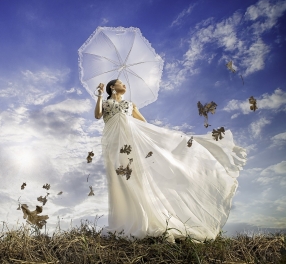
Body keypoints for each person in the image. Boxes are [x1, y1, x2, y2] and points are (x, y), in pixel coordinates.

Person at [95, 79, 247, 242]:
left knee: (135, 179)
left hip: (130, 143)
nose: (124, 85)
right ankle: (125, 221)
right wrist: (99, 95)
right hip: (113, 144)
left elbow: (144, 123)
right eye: (120, 83)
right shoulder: (105, 103)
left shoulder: (130, 104)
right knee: (119, 182)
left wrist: (155, 136)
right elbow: (97, 115)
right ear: (112, 87)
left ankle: (144, 221)